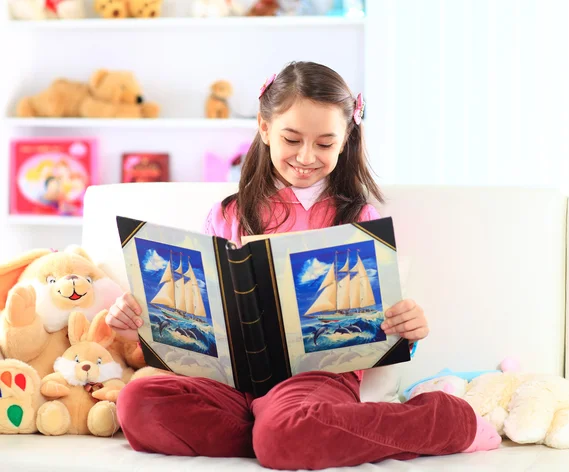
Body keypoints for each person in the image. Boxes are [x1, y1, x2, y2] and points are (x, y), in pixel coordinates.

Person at [109, 61, 501, 470]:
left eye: (325, 144)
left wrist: (408, 328)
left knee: (283, 432)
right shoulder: (228, 214)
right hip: (230, 382)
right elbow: (199, 313)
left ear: (346, 139)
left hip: (318, 379)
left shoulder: (357, 218)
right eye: (291, 139)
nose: (306, 156)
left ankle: (444, 420)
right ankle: (283, 434)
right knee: (137, 403)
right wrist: (142, 320)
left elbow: (378, 323)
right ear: (264, 128)